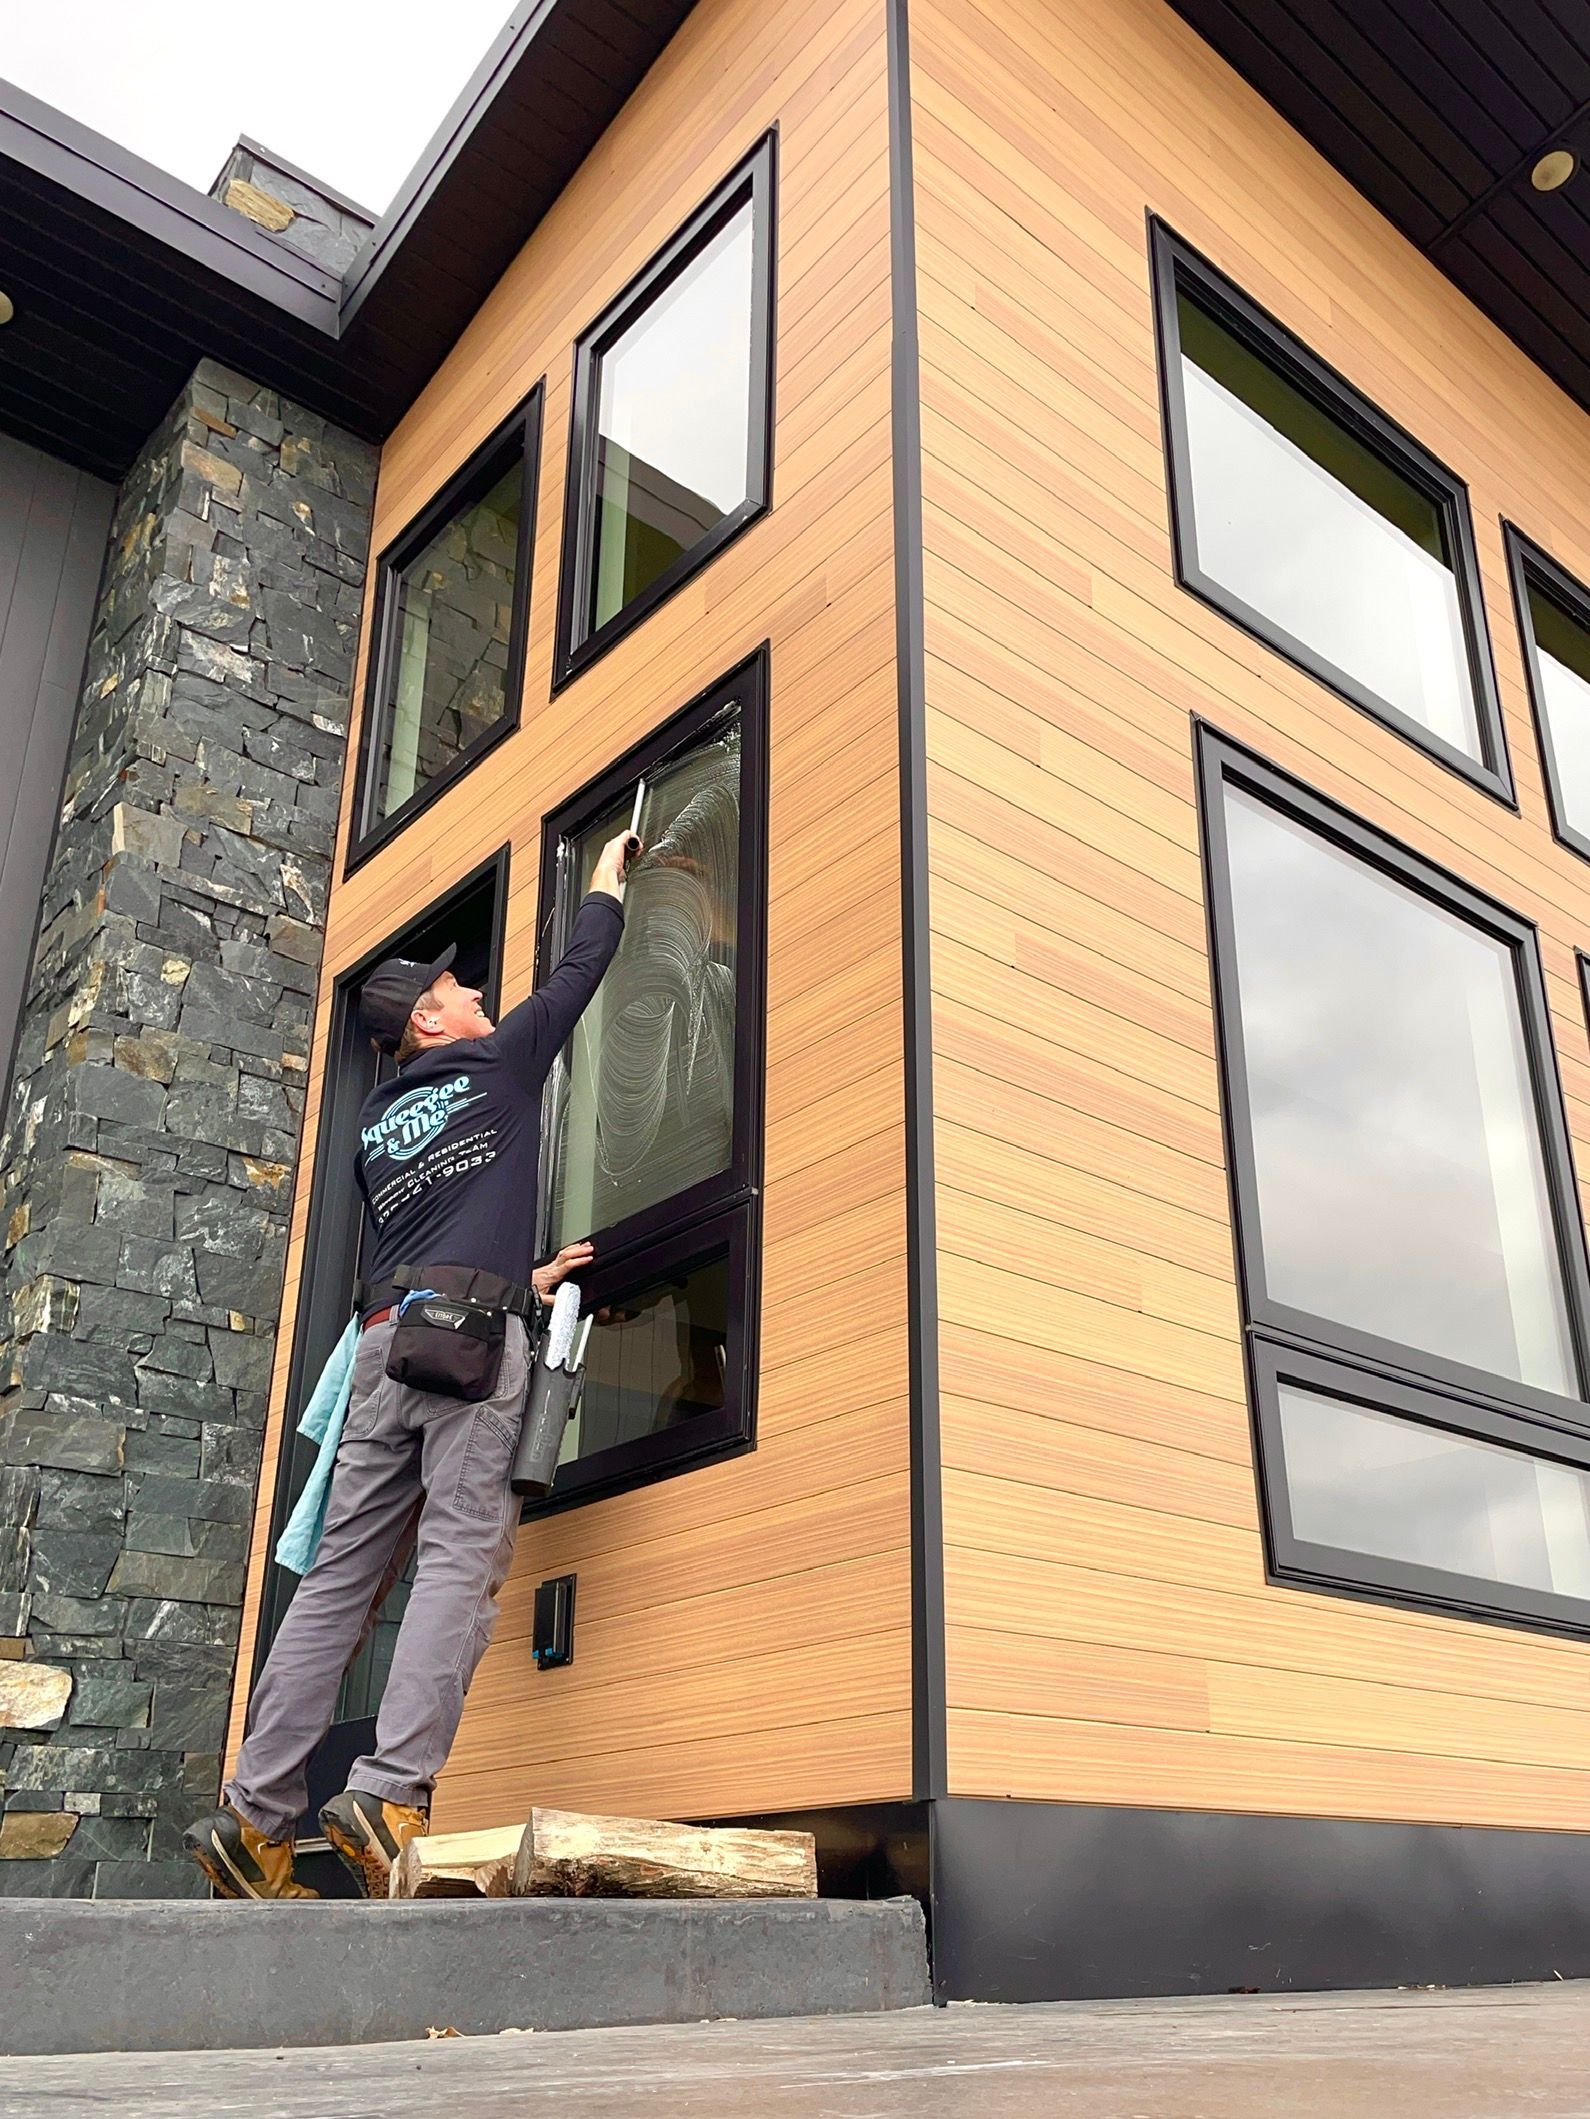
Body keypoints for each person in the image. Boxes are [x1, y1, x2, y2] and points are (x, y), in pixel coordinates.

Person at [182, 831, 637, 1900]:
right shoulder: (497, 1060)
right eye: (454, 985)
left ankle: (254, 1819)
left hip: (389, 1350)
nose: (475, 990)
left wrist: (519, 1273)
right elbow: (582, 974)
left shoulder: (378, 1125)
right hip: (471, 1353)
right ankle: (390, 1790)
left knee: (336, 1584)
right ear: (428, 1020)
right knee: (458, 1560)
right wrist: (611, 880)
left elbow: (422, 1240)